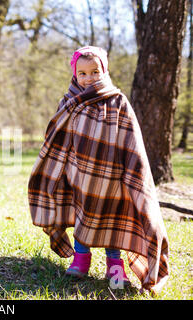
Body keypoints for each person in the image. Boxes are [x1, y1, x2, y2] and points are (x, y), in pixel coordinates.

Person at [27, 46, 169, 295]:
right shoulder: (70, 101)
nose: (89, 78)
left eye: (94, 71)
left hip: (111, 175)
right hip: (78, 174)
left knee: (110, 220)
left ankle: (115, 266)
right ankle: (81, 259)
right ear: (74, 75)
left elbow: (131, 139)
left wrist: (132, 170)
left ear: (104, 70)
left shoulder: (117, 100)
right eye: (82, 73)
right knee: (83, 214)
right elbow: (58, 135)